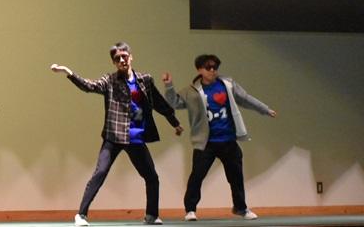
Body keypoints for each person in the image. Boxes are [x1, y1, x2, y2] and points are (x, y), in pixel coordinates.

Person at [51, 41, 182, 226]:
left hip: (135, 137)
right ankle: (81, 215)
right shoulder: (110, 80)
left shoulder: (144, 80)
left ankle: (152, 215)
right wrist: (68, 72)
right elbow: (90, 86)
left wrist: (174, 122)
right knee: (100, 172)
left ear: (131, 57)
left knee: (151, 177)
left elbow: (159, 103)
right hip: (114, 136)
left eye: (124, 56)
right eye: (117, 58)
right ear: (114, 62)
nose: (122, 60)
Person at [162, 54, 277, 221]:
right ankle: (190, 210)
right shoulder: (191, 91)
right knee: (197, 176)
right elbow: (174, 103)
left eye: (215, 67)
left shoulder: (227, 85)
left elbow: (245, 98)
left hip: (228, 140)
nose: (212, 70)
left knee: (236, 177)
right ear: (199, 70)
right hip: (205, 143)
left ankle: (241, 208)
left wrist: (264, 109)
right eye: (208, 67)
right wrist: (169, 85)